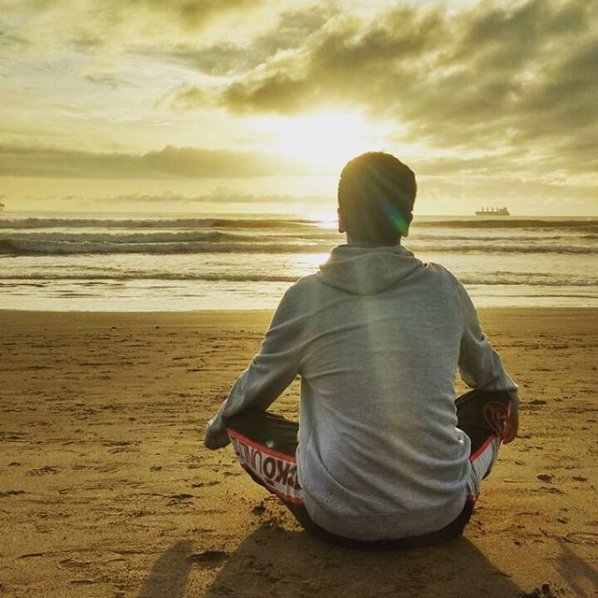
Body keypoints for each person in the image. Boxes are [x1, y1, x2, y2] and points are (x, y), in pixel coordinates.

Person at [204, 152, 519, 548]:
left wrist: (217, 429)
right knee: (494, 399)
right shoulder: (444, 288)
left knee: (241, 419)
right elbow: (487, 376)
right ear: (407, 220)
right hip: (443, 514)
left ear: (340, 218)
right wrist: (510, 396)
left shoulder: (307, 298)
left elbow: (256, 388)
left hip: (336, 519)